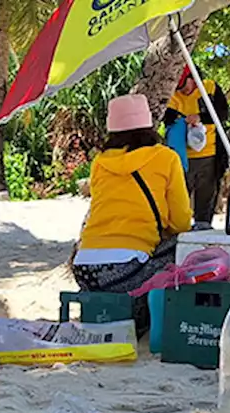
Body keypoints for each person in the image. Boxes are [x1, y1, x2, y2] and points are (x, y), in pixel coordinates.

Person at [74, 94, 193, 328]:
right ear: (149, 124)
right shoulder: (166, 157)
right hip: (126, 270)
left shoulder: (100, 161)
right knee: (187, 243)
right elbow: (181, 222)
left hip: (84, 270)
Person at [163, 66, 229, 228]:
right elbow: (167, 119)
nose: (183, 91)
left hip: (210, 154)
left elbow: (223, 114)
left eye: (184, 86)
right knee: (180, 198)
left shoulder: (210, 88)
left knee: (206, 196)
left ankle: (204, 227)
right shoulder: (172, 96)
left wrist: (200, 118)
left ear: (191, 79)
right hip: (182, 157)